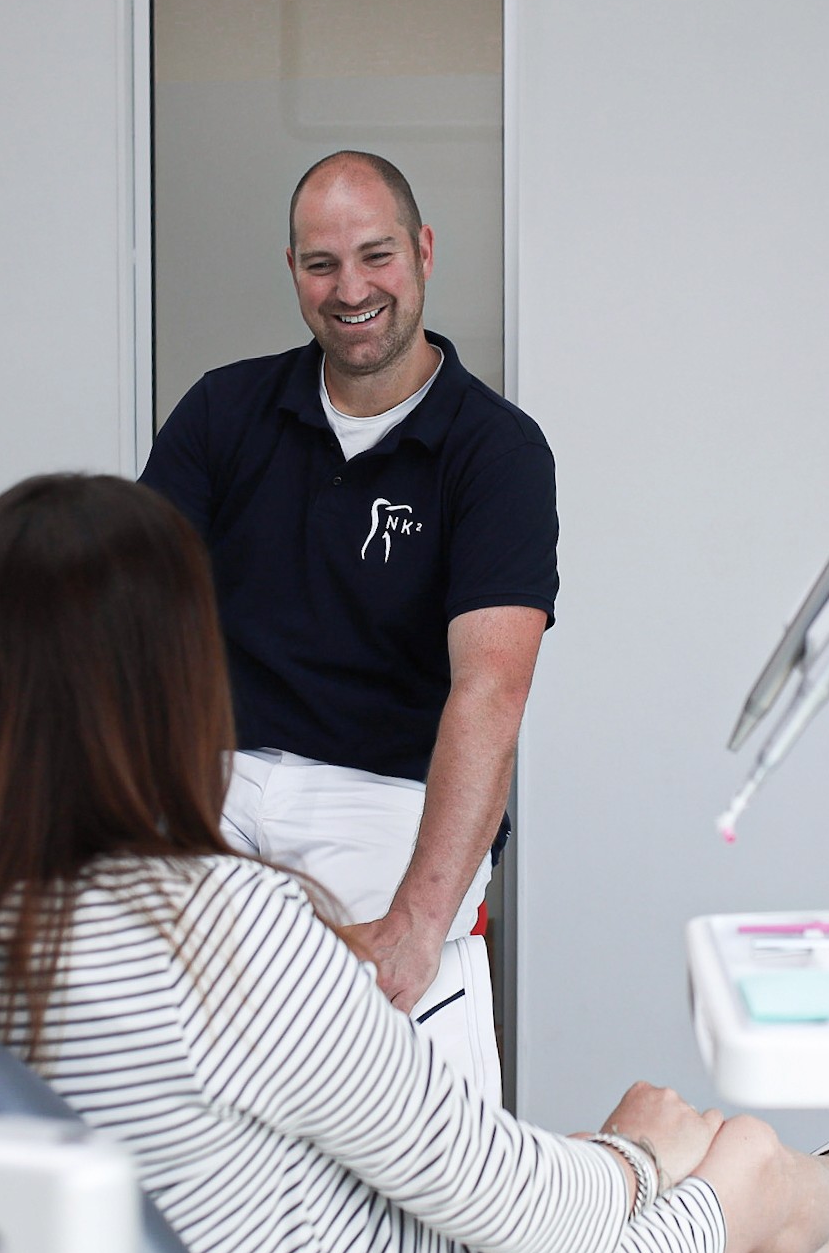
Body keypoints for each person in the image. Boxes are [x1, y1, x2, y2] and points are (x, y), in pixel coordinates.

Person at [0, 473, 829, 1253]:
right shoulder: (216, 933)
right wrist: (645, 1159)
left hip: (305, 1229)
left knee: (716, 1168)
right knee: (722, 1156)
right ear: (174, 685)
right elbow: (545, 1219)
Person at [141, 151, 553, 1100]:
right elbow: (129, 618)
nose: (351, 289)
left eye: (376, 256)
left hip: (385, 794)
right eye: (321, 264)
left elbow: (491, 689)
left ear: (423, 252)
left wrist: (416, 922)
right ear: (292, 271)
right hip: (221, 774)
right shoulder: (222, 412)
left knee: (367, 1088)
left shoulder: (495, 453)